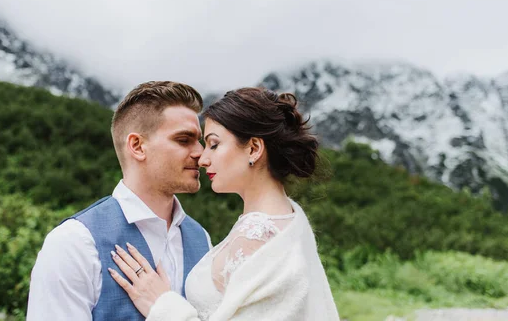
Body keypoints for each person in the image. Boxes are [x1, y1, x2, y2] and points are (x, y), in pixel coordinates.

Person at [109, 87, 340, 321]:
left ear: (254, 148)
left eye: (214, 144)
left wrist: (163, 306)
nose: (203, 158)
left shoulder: (257, 238)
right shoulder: (288, 220)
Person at [27, 81, 212, 321]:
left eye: (200, 141)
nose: (201, 153)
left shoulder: (202, 239)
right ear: (137, 146)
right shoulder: (74, 243)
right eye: (184, 140)